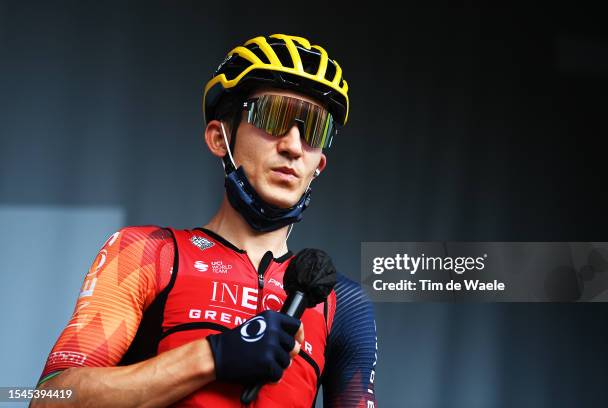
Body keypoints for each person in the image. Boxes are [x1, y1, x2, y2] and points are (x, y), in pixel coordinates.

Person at [33, 34, 377, 408]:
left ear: (318, 166)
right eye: (273, 116)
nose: (293, 146)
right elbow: (50, 398)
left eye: (313, 130)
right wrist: (213, 356)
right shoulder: (148, 254)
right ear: (219, 137)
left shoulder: (342, 301)